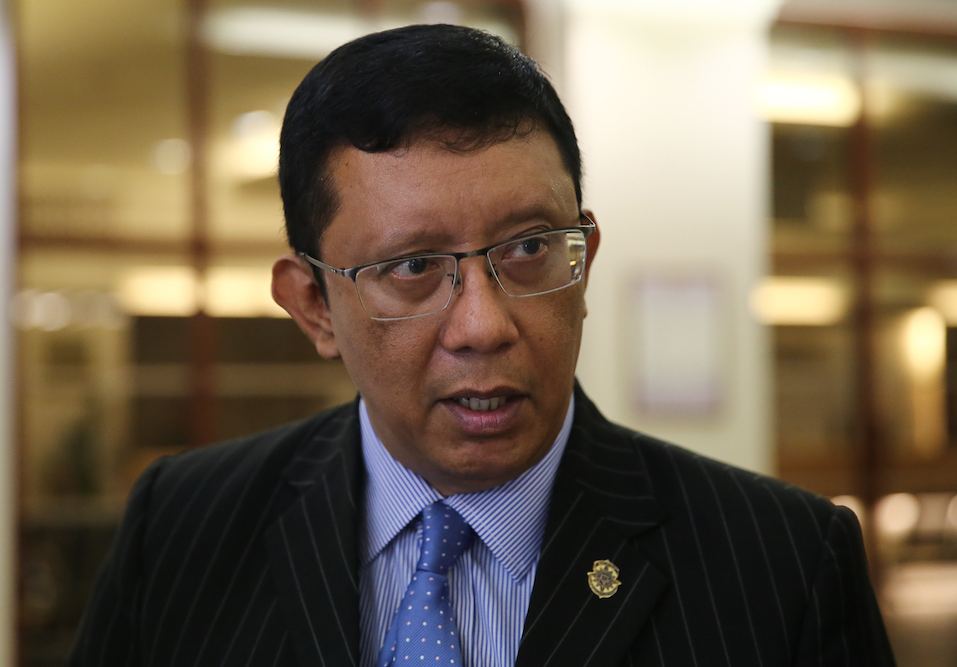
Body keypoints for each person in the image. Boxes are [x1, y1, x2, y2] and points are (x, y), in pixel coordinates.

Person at [68, 23, 895, 667]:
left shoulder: (780, 562)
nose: (484, 325)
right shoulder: (182, 526)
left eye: (530, 248)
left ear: (586, 258)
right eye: (414, 267)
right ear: (314, 304)